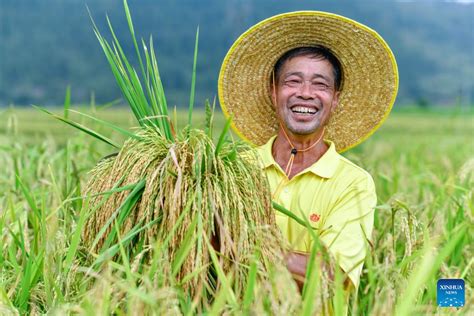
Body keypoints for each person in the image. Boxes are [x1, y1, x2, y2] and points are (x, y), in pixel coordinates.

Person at [218, 11, 398, 313]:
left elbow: (335, 275)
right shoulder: (235, 170)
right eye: (293, 81)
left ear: (336, 98)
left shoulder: (352, 183)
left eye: (320, 85)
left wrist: (242, 246)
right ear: (273, 91)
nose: (305, 94)